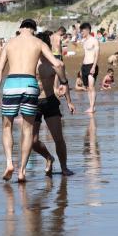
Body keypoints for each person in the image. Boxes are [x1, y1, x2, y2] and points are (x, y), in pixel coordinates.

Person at [0, 19, 68, 182]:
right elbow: (58, 64)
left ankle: (9, 163)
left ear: (20, 29)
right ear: (33, 30)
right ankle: (22, 172)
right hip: (30, 83)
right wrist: (64, 82)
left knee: (7, 126)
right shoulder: (38, 42)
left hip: (11, 82)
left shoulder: (9, 43)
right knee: (27, 130)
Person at [31, 31, 75, 177]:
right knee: (32, 140)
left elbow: (64, 82)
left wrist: (69, 101)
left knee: (58, 138)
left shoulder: (55, 63)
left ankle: (64, 167)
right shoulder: (31, 62)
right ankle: (49, 157)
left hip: (50, 101)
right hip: (34, 102)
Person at [79, 22, 100, 113]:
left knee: (91, 87)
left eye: (82, 31)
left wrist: (94, 67)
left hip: (92, 65)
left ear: (87, 30)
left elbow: (97, 55)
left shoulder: (94, 40)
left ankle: (92, 107)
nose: (81, 33)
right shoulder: (84, 41)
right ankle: (91, 106)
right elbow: (85, 55)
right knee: (87, 87)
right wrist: (81, 68)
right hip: (84, 65)